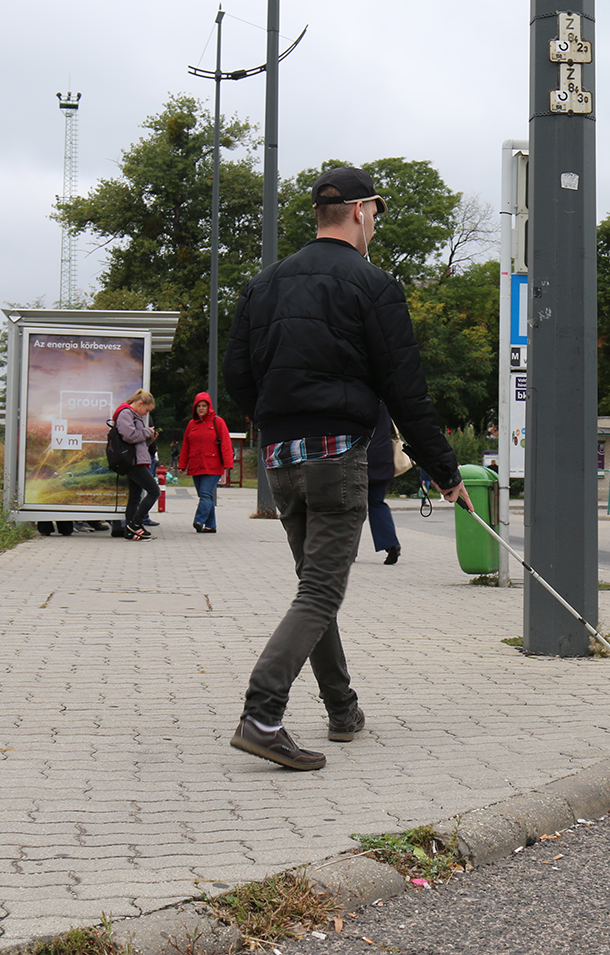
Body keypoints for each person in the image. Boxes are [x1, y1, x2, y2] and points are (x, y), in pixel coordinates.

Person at [223, 165, 470, 771]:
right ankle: (261, 716)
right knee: (319, 590)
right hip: (337, 456)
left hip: (280, 458)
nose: (374, 226)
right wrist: (445, 471)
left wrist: (274, 420)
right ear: (361, 211)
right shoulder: (373, 285)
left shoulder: (262, 285)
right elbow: (406, 391)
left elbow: (236, 376)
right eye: (376, 215)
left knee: (314, 586)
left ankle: (342, 709)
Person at [178, 391, 234, 534]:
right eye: (198, 406)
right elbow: (186, 445)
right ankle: (210, 525)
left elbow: (226, 443)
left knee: (205, 494)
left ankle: (199, 520)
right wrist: (182, 464)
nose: (201, 408)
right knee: (205, 496)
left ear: (209, 407)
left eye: (204, 405)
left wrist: (228, 464)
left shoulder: (218, 422)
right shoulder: (191, 424)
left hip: (213, 465)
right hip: (196, 465)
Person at [115, 390, 160, 540]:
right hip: (133, 462)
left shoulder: (133, 415)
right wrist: (147, 432)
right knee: (154, 491)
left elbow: (138, 442)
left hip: (136, 459)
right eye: (146, 410)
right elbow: (129, 436)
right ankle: (135, 524)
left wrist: (150, 439)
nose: (146, 414)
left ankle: (130, 530)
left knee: (135, 497)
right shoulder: (126, 414)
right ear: (140, 404)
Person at [365, 402, 402, 565]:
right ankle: (390, 543)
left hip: (359, 457)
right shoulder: (385, 402)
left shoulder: (355, 398)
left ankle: (347, 550)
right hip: (382, 457)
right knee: (377, 503)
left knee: (351, 506)